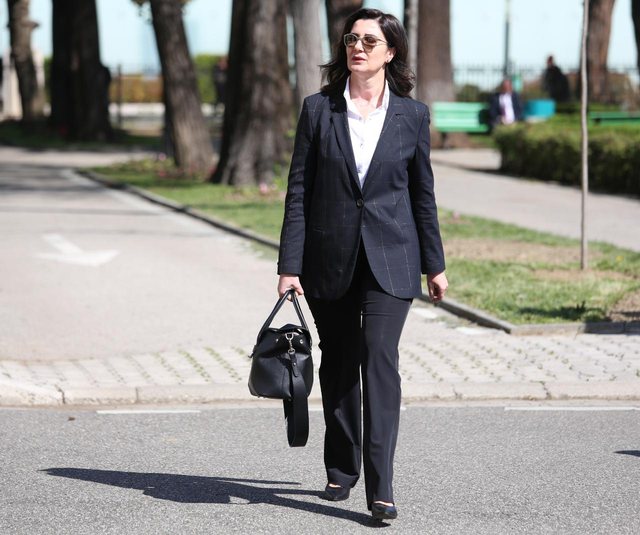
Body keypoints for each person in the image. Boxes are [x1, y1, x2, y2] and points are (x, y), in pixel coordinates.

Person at [277, 8, 448, 522]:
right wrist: (289, 265)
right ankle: (341, 465)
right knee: (339, 361)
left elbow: (422, 196)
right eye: (352, 39)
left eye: (370, 41)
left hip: (393, 259)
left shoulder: (412, 116)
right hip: (328, 258)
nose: (358, 47)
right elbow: (299, 191)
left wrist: (435, 264)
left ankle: (382, 486)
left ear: (390, 52)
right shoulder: (318, 110)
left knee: (378, 358)